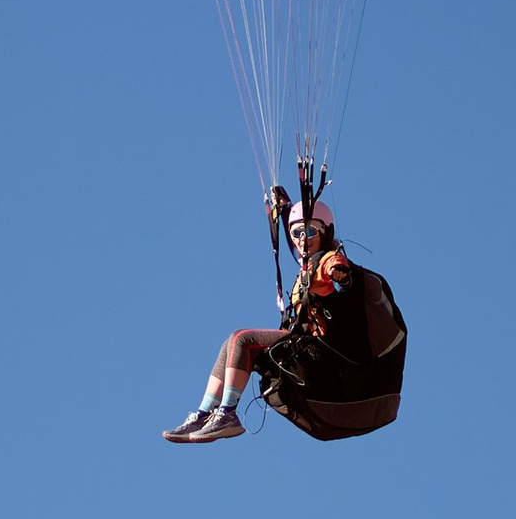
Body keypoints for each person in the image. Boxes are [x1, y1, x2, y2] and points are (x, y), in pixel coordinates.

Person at [163, 191, 408, 446]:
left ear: (325, 233)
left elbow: (338, 268)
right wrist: (287, 209)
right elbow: (301, 245)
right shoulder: (308, 262)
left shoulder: (326, 260)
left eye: (311, 232)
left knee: (243, 339)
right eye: (296, 233)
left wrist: (342, 276)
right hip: (309, 346)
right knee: (229, 345)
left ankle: (227, 414)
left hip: (323, 353)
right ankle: (204, 413)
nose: (303, 239)